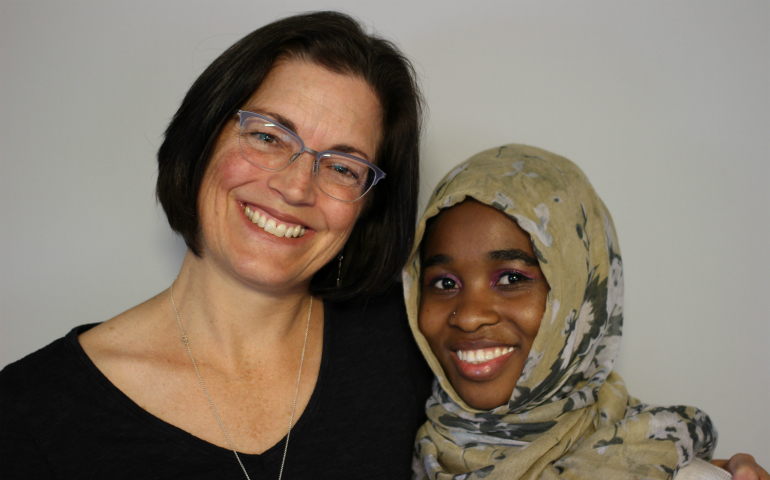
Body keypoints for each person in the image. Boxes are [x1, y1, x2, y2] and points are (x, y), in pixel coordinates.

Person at [0, 11, 432, 478]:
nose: (295, 188)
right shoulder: (29, 409)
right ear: (202, 139)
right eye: (268, 137)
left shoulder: (416, 342)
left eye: (343, 168)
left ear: (369, 206)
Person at [403, 144, 769, 479]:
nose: (469, 316)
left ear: (580, 294)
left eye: (511, 277)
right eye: (445, 283)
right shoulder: (387, 448)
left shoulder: (662, 464)